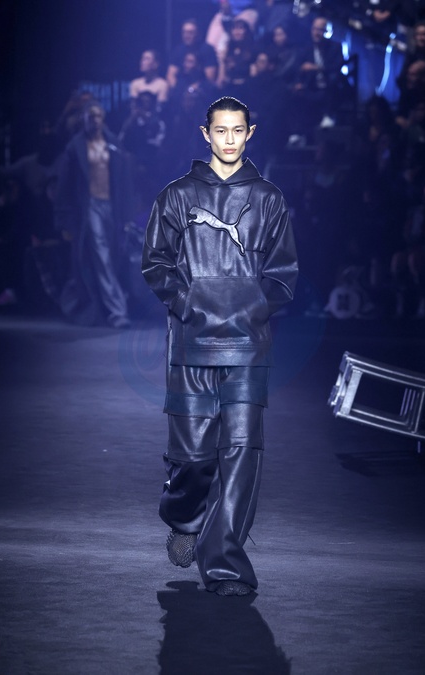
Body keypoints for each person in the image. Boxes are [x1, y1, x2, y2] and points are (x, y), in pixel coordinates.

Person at [141, 96, 298, 596]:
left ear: (250, 133)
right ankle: (185, 517)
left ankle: (226, 566)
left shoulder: (268, 198)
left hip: (248, 346)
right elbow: (155, 264)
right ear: (205, 134)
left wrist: (250, 308)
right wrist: (189, 304)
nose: (229, 139)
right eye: (220, 130)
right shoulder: (176, 196)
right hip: (191, 343)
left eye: (237, 130)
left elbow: (283, 275)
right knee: (192, 457)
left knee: (241, 454)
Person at [55, 102, 133, 328]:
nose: (95, 120)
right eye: (91, 116)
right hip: (90, 206)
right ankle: (118, 311)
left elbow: (124, 181)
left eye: (98, 116)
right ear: (84, 119)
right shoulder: (76, 147)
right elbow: (64, 185)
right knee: (102, 256)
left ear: (103, 118)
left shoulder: (113, 144)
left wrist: (126, 213)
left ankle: (98, 305)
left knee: (112, 255)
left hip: (111, 206)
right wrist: (64, 219)